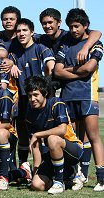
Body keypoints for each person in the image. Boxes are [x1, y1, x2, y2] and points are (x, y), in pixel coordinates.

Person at [54, 8, 104, 192]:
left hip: (87, 95)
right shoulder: (65, 44)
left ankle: (101, 177)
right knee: (72, 138)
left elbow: (88, 68)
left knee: (93, 136)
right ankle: (77, 175)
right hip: (67, 96)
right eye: (71, 27)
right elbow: (57, 71)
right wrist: (76, 70)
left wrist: (69, 71)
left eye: (77, 26)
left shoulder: (96, 44)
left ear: (86, 26)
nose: (74, 30)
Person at [24, 75, 83, 194]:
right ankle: (69, 177)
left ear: (44, 93)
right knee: (37, 185)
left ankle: (59, 182)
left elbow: (62, 130)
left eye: (36, 95)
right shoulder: (29, 113)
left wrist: (37, 134)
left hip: (73, 150)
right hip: (51, 155)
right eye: (30, 96)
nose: (32, 99)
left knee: (52, 139)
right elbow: (35, 145)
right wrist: (36, 168)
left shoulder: (56, 103)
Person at [8, 18, 55, 166]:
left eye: (25, 30)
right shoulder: (14, 54)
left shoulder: (41, 48)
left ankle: (47, 167)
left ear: (32, 32)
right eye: (19, 31)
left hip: (41, 100)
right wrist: (11, 65)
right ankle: (24, 166)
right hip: (22, 99)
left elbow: (51, 66)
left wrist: (46, 82)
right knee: (23, 134)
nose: (21, 34)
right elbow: (5, 65)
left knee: (44, 134)